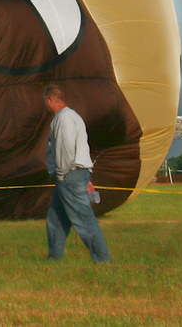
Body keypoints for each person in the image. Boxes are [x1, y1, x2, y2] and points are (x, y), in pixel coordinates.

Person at [44, 82, 112, 263]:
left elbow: (65, 148)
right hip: (76, 174)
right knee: (55, 219)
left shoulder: (62, 119)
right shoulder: (74, 117)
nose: (46, 105)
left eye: (46, 101)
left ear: (51, 100)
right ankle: (54, 258)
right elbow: (82, 147)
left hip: (68, 176)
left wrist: (61, 173)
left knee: (84, 220)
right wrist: (85, 176)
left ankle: (103, 260)